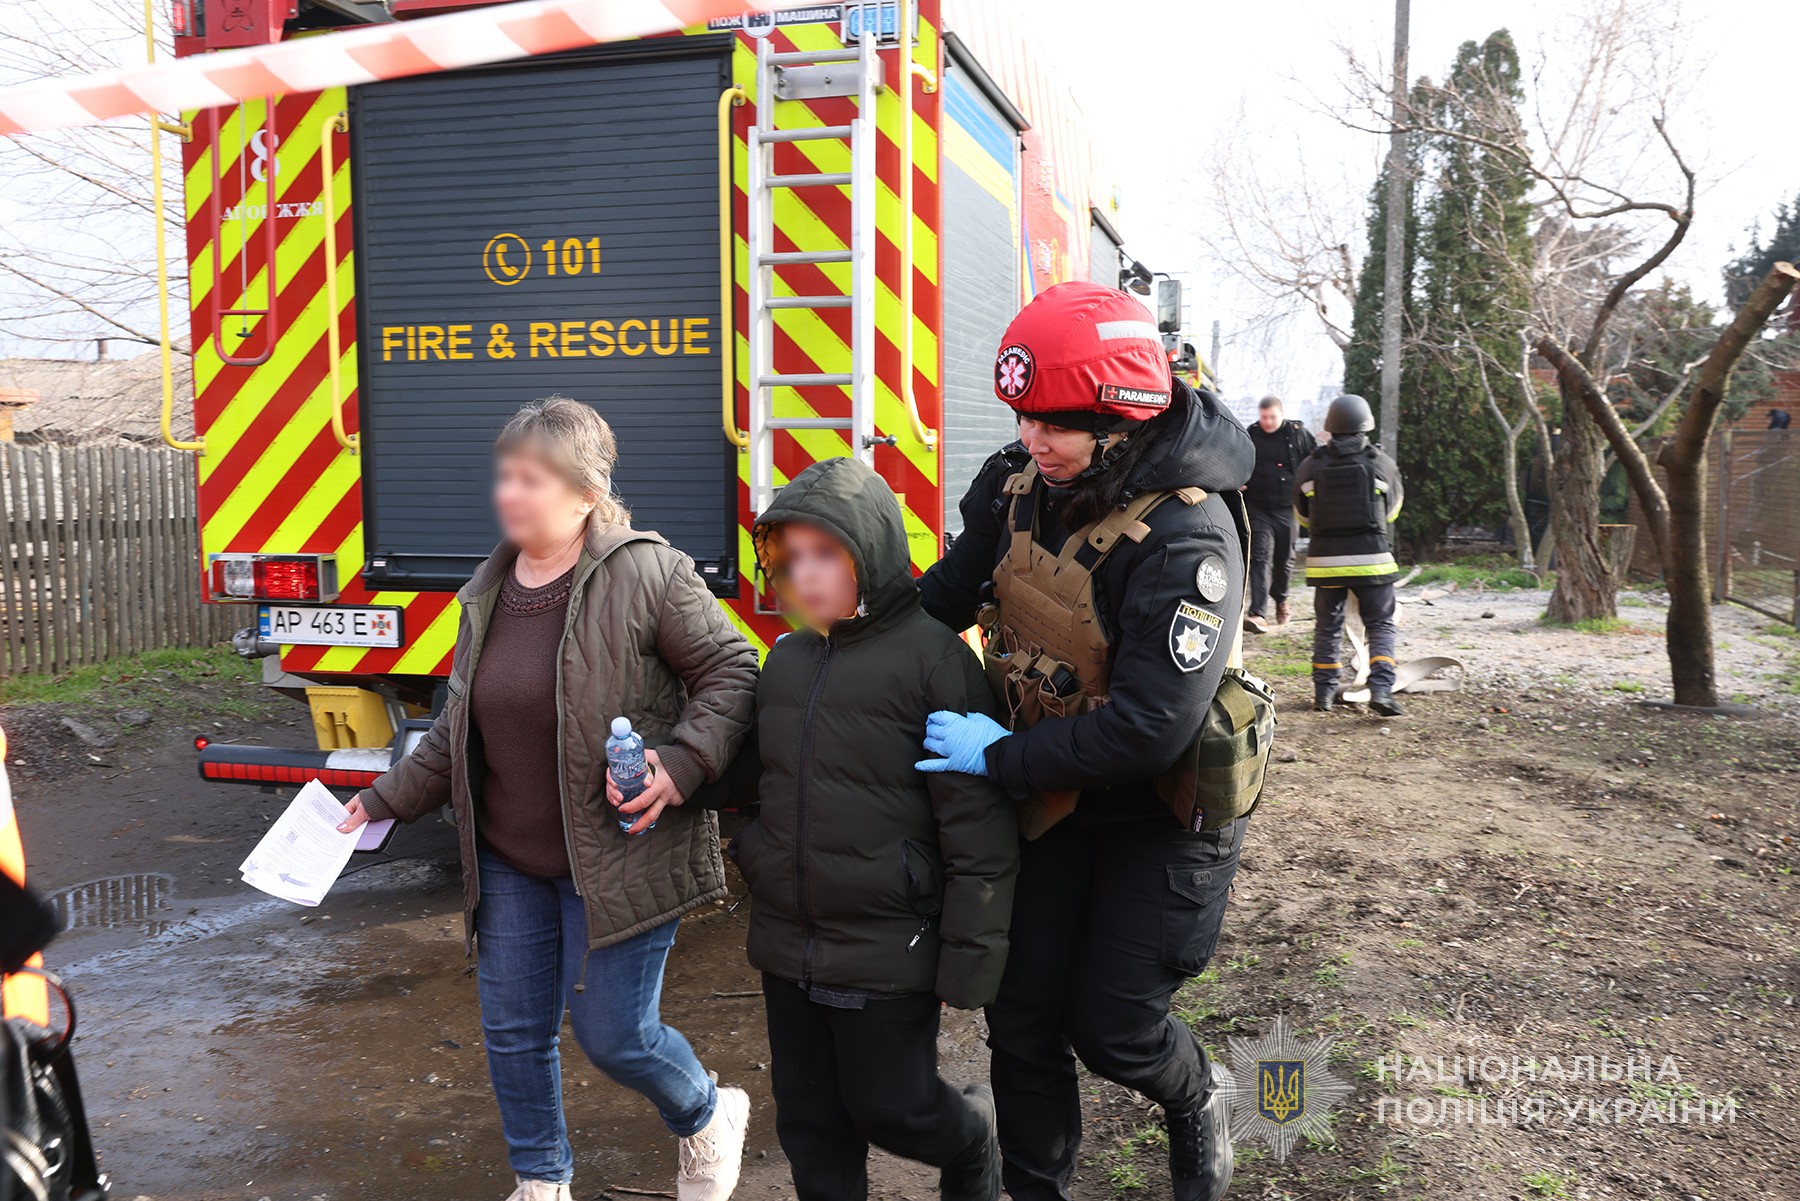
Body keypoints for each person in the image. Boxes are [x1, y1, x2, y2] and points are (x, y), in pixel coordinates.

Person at [338, 396, 759, 1201]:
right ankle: (541, 1180)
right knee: (513, 1035)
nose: (509, 493)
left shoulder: (648, 571)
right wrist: (383, 799)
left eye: (530, 477)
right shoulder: (487, 588)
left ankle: (708, 1112)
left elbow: (734, 670)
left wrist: (679, 761)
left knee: (617, 1036)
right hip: (511, 860)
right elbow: (458, 728)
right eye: (506, 474)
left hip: (620, 851)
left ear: (584, 491)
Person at [915, 281, 1255, 1201]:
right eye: (1023, 416)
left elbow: (1151, 728)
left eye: (1053, 423)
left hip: (1155, 814)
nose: (1031, 439)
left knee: (1113, 1025)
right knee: (1021, 1017)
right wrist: (836, 646)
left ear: (1121, 417)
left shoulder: (1188, 535)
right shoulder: (1019, 482)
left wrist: (996, 754)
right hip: (1054, 797)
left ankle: (1199, 1097)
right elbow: (946, 596)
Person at [731, 457, 1018, 1201]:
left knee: (894, 1108)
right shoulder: (786, 660)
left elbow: (978, 830)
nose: (808, 576)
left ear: (872, 551)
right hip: (790, 942)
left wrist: (969, 959)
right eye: (791, 559)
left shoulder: (936, 660)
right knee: (811, 1122)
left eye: (827, 554)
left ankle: (972, 1141)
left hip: (890, 945)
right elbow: (758, 780)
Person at [1295, 392, 1405, 717]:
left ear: (1330, 427)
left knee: (1328, 626)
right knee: (1381, 624)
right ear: (1365, 426)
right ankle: (1382, 690)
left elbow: (1302, 516)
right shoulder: (1381, 463)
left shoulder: (1310, 465)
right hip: (1373, 560)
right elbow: (1392, 511)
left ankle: (1324, 694)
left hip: (1324, 563)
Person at [1241, 394, 1317, 632]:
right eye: (1264, 417)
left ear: (1281, 414)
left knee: (1285, 561)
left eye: (1272, 417)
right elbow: (1235, 460)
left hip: (1288, 508)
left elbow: (1316, 461)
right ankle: (1257, 613)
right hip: (1258, 507)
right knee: (1260, 558)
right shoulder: (1251, 435)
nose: (1268, 422)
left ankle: (1281, 599)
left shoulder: (1297, 434)